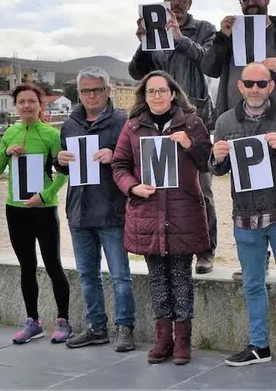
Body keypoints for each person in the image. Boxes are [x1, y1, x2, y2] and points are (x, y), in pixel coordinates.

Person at [210, 62, 276, 376]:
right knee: (253, 285)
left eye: (261, 83)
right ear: (240, 86)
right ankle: (259, 346)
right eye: (249, 83)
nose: (255, 89)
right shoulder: (225, 121)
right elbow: (219, 169)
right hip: (244, 218)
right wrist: (216, 158)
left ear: (271, 85)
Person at [202, 0, 276, 279]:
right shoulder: (228, 33)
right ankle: (256, 259)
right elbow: (209, 68)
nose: (251, 3)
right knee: (244, 188)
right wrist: (221, 37)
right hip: (237, 120)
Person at [111, 70, 211, 366]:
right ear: (144, 96)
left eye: (162, 90)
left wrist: (190, 144)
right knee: (157, 279)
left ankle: (183, 340)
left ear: (172, 93)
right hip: (148, 213)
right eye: (151, 91)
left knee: (181, 278)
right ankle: (163, 339)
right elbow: (119, 165)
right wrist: (133, 187)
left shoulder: (192, 123)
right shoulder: (132, 126)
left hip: (183, 213)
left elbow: (209, 162)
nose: (157, 96)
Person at [129, 0, 219, 275]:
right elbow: (137, 73)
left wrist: (179, 38)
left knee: (201, 189)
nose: (177, 2)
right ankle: (168, 248)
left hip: (194, 120)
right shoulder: (154, 32)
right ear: (164, 1)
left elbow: (210, 63)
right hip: (159, 123)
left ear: (189, 3)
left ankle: (206, 251)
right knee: (163, 191)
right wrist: (143, 43)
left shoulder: (204, 29)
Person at [54, 67, 136, 352]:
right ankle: (96, 328)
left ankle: (125, 328)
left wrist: (115, 156)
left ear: (107, 91)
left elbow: (135, 161)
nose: (91, 96)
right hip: (79, 211)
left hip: (112, 210)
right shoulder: (69, 124)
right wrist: (59, 161)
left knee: (120, 276)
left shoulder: (122, 122)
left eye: (96, 90)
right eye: (85, 91)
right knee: (87, 275)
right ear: (78, 94)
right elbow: (63, 168)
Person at [0, 83, 71, 345]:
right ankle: (33, 322)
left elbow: (64, 173)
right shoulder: (10, 133)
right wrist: (6, 151)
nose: (26, 106)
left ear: (40, 105)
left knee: (53, 265)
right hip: (15, 209)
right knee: (26, 266)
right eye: (21, 101)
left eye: (31, 101)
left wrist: (45, 196)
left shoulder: (51, 135)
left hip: (43, 209)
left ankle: (63, 320)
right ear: (16, 106)